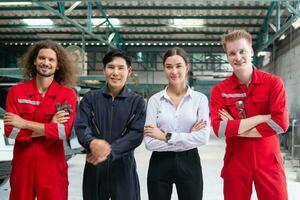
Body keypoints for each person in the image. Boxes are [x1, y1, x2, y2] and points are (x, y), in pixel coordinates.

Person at [210, 29, 289, 200]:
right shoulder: (220, 91)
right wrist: (261, 118)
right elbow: (220, 129)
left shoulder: (273, 83)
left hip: (269, 161)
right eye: (232, 53)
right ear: (227, 56)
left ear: (251, 52)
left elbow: (280, 124)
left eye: (242, 51)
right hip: (236, 162)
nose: (237, 57)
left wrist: (236, 127)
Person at [4, 40, 78, 200]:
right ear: (34, 61)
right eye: (42, 58)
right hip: (23, 165)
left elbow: (62, 132)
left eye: (51, 60)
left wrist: (23, 123)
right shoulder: (16, 93)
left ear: (58, 65)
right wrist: (49, 126)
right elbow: (11, 133)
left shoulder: (67, 95)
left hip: (52, 166)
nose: (46, 63)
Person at [75, 49, 146, 200]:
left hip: (123, 170)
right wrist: (91, 142)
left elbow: (136, 134)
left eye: (121, 68)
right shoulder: (90, 99)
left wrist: (109, 151)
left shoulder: (137, 102)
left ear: (129, 71)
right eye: (111, 67)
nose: (115, 72)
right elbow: (81, 126)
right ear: (104, 70)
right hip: (95, 169)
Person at [144, 47, 210, 200]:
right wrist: (188, 136)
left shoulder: (199, 99)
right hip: (159, 162)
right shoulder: (154, 100)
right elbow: (149, 142)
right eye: (169, 67)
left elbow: (203, 138)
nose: (174, 71)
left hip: (190, 161)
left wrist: (164, 136)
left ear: (187, 67)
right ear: (164, 69)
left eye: (178, 66)